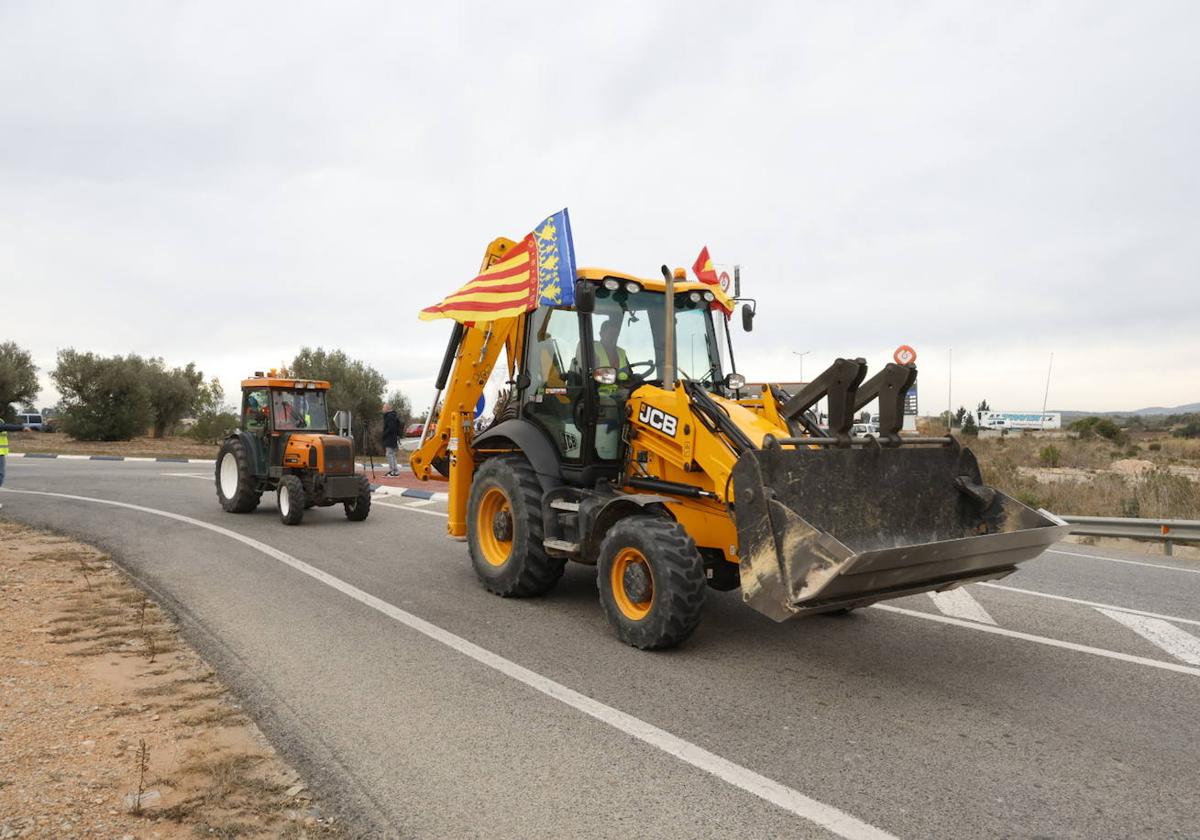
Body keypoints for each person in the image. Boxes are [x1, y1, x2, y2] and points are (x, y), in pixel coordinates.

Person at [0, 420, 24, 509]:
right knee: (0, 476)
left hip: (1, 453)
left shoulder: (1, 420)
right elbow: (4, 427)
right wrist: (22, 427)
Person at [381, 403, 401, 477]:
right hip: (393, 438)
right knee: (392, 454)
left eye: (383, 407)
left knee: (389, 454)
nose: (382, 409)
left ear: (387, 408)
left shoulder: (389, 416)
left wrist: (384, 434)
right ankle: (395, 470)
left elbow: (391, 428)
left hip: (390, 438)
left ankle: (392, 471)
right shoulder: (393, 415)